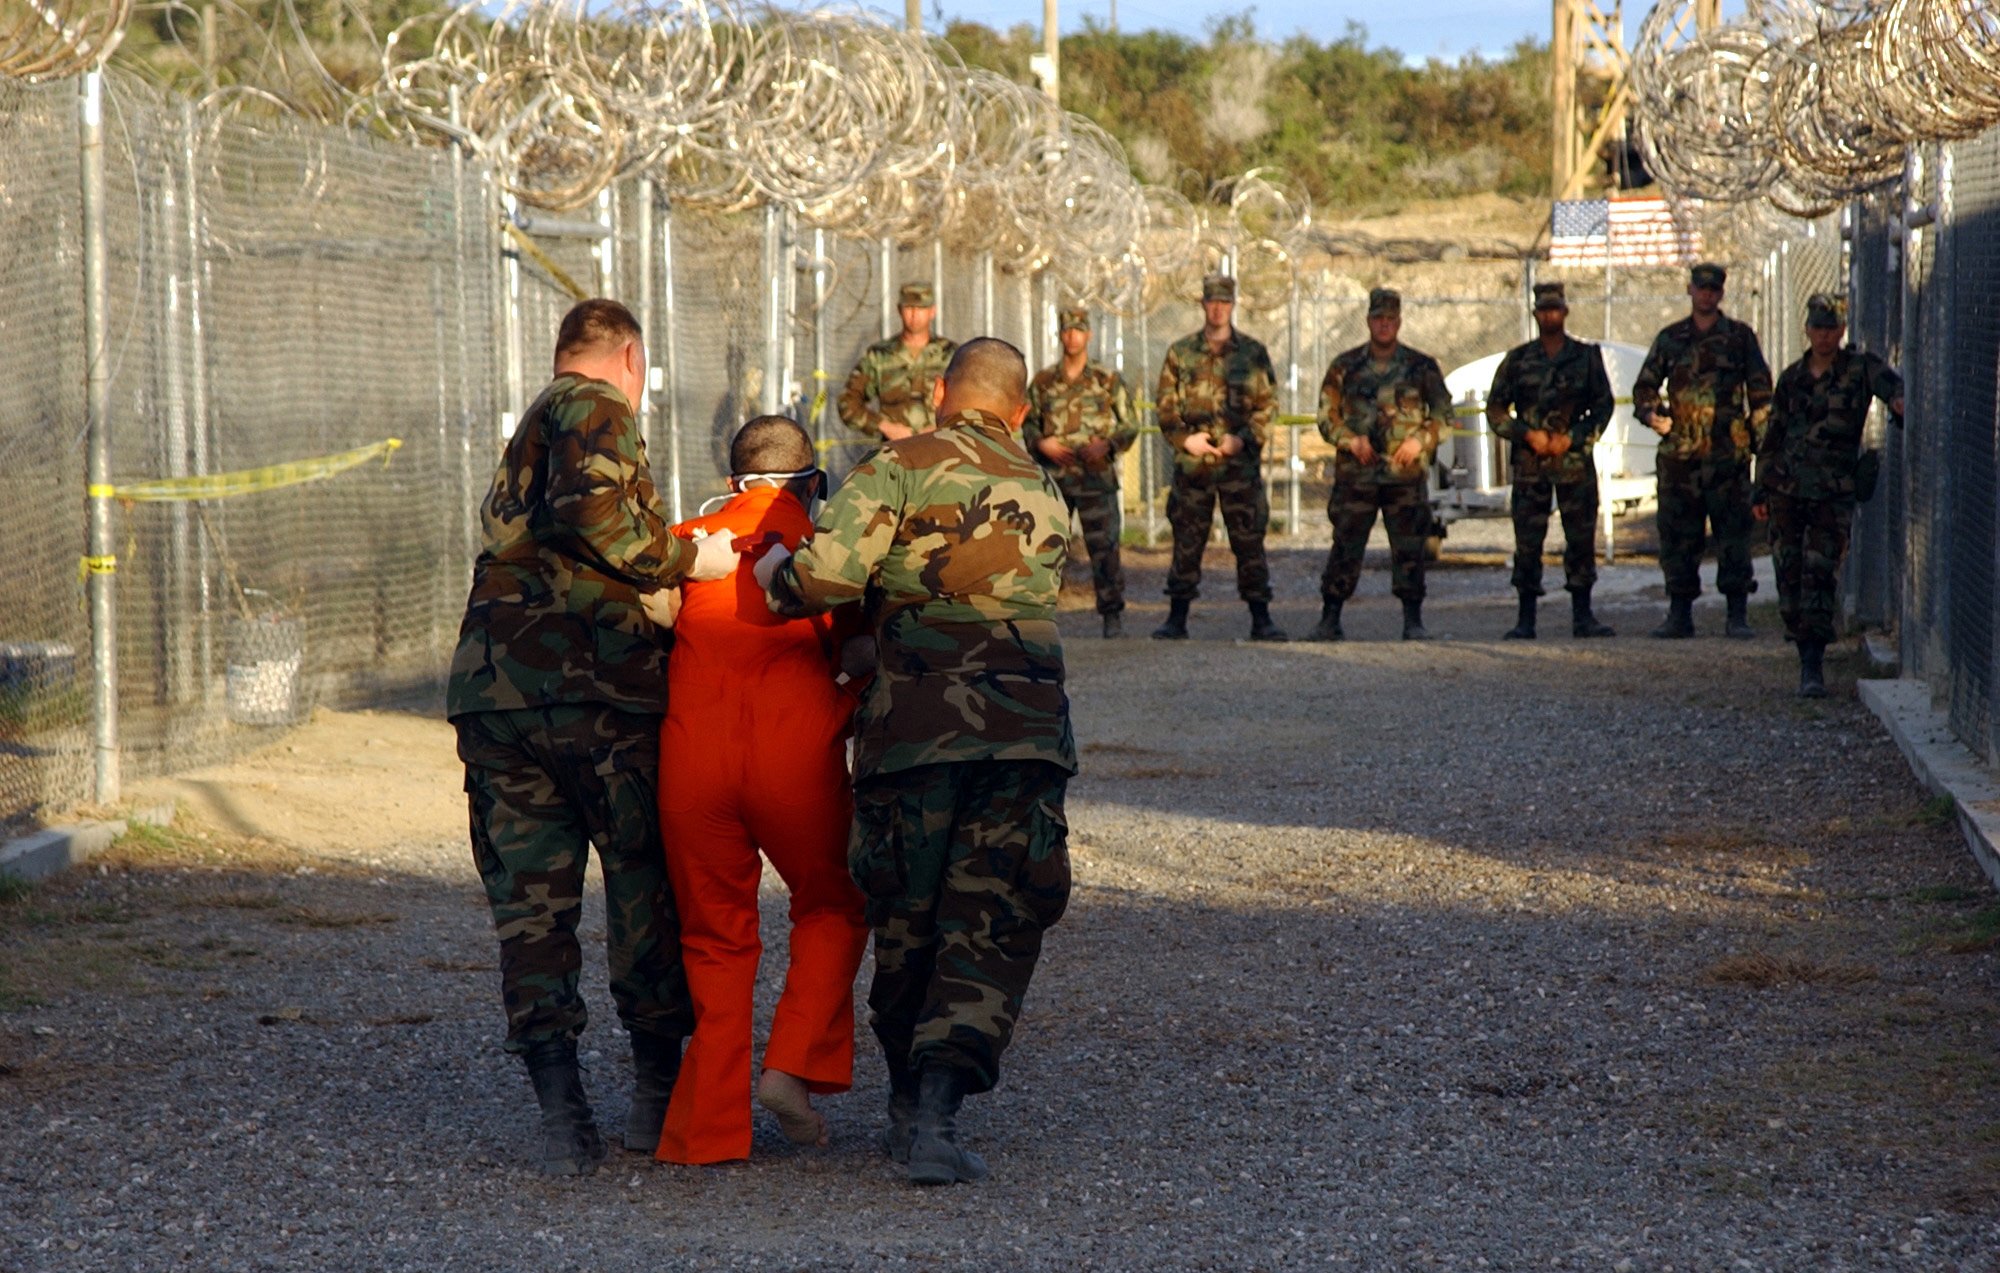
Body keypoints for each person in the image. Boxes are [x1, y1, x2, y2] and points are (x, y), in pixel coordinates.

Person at [753, 338, 1075, 1186]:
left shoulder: (895, 465)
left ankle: (905, 1103)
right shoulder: (1046, 489)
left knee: (907, 910)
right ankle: (936, 1109)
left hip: (916, 732)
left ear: (939, 392)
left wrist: (775, 570)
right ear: (1019, 409)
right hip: (1024, 732)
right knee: (992, 914)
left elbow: (826, 578)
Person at [446, 298, 738, 1176]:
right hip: (596, 694)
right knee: (645, 887)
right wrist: (690, 565)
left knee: (532, 911)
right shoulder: (593, 405)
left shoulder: (535, 420)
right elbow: (594, 513)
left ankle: (561, 1110)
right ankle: (655, 1097)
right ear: (630, 357)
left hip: (500, 695)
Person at [651, 416, 872, 1164]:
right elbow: (862, 648)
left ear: (732, 475)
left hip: (693, 762)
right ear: (810, 480)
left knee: (713, 938)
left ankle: (705, 1133)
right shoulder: (821, 551)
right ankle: (790, 1067)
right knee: (834, 902)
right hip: (794, 757)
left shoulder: (687, 540)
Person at [1753, 293, 1904, 697]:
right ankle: (1800, 640)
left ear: (1841, 330)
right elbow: (1774, 436)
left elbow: (1891, 386)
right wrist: (1760, 489)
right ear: (1807, 329)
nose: (1824, 335)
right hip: (1787, 490)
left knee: (1819, 573)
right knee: (1788, 575)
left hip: (1831, 494)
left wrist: (1898, 401)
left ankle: (1812, 664)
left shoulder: (1858, 369)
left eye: (1831, 328)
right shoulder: (1792, 377)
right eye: (1818, 328)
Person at [1631, 262, 1774, 639]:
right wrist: (1652, 414)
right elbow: (1644, 387)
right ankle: (1680, 613)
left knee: (1734, 535)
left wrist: (1762, 447)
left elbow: (1760, 393)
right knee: (1678, 536)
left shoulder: (1740, 338)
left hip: (1727, 455)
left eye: (1713, 289)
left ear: (1721, 293)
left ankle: (1737, 613)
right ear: (1690, 290)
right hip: (1681, 456)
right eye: (1701, 288)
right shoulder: (1671, 338)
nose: (1707, 294)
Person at [1309, 287, 1452, 641]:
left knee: (1409, 547)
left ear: (1399, 322)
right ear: (1369, 321)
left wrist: (1420, 439)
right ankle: (1330, 618)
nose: (1384, 325)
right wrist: (1350, 440)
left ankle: (1412, 620)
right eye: (1378, 318)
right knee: (1345, 544)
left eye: (1390, 319)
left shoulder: (1421, 367)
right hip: (1357, 476)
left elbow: (1444, 414)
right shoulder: (1345, 366)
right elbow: (1327, 417)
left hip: (1404, 476)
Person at [1152, 273, 1286, 641]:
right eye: (1212, 301)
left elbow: (1267, 406)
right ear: (1203, 304)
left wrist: (1242, 440)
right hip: (1194, 466)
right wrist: (1185, 440)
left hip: (1237, 465)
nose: (1217, 308)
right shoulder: (1182, 353)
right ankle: (1177, 617)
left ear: (1232, 305)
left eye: (1224, 302)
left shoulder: (1253, 353)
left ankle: (1261, 617)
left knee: (1248, 539)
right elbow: (1166, 409)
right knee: (1187, 539)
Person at [1484, 281, 1619, 640]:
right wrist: (1526, 434)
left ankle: (1583, 615)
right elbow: (1495, 409)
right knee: (1528, 542)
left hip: (1574, 464)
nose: (1550, 315)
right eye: (1544, 310)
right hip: (1531, 466)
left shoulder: (1586, 356)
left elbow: (1603, 406)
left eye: (1555, 309)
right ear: (1535, 314)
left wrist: (1573, 438)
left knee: (1580, 539)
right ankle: (1526, 618)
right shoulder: (1519, 359)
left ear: (1565, 311)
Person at [1026, 306, 1139, 638]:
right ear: (1060, 335)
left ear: (1088, 334)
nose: (1071, 336)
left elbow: (1130, 424)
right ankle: (1040, 619)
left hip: (1095, 477)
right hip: (1055, 478)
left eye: (1078, 330)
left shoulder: (1107, 380)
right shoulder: (1044, 382)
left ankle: (1112, 617)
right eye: (1066, 330)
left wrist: (1108, 445)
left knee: (1104, 548)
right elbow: (1028, 422)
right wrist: (1041, 443)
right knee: (1046, 548)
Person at [838, 282, 958, 440]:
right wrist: (884, 426)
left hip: (941, 450)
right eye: (909, 307)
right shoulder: (880, 355)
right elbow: (848, 402)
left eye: (921, 308)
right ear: (899, 310)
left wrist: (942, 426)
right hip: (894, 453)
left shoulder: (951, 354)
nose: (914, 315)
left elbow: (970, 402)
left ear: (932, 311)